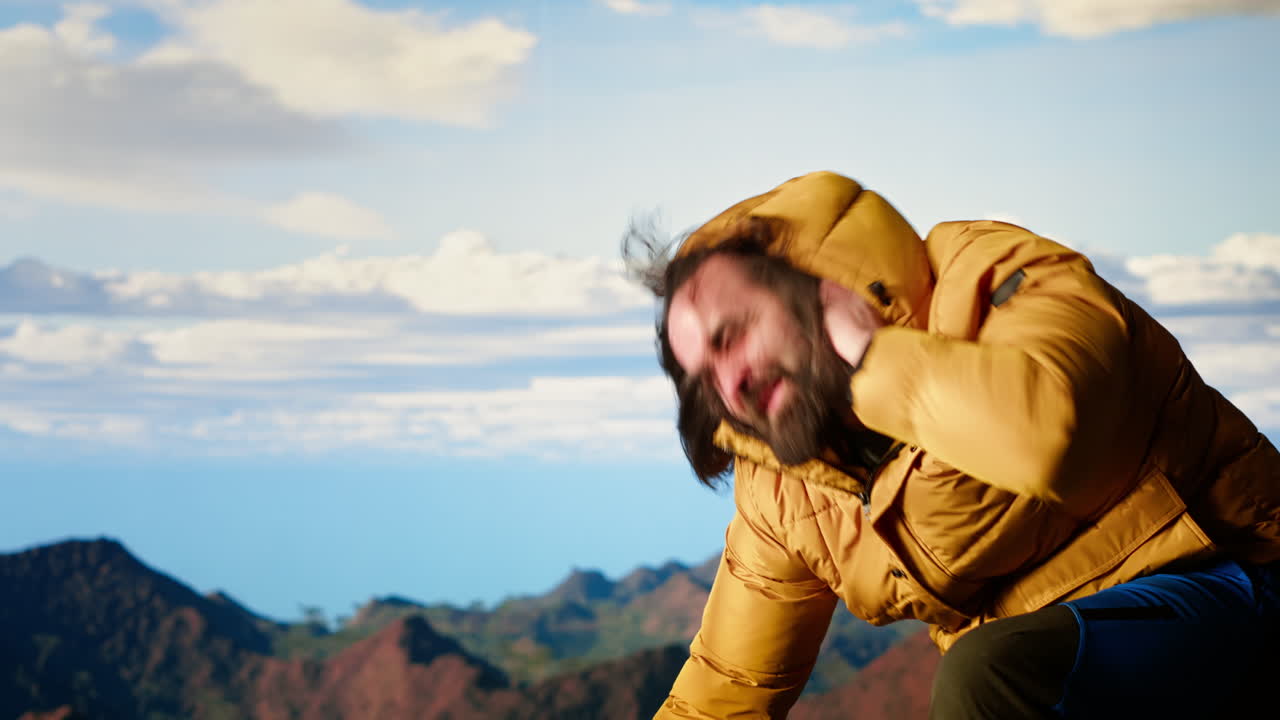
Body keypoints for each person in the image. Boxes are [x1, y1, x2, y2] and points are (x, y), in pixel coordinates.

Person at [623, 171, 1280, 719]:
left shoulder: (998, 277)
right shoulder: (783, 483)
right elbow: (729, 686)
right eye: (704, 375)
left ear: (814, 292)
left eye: (732, 334)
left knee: (987, 672)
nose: (730, 383)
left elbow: (1047, 436)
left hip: (1231, 582)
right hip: (1057, 670)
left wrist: (870, 356)